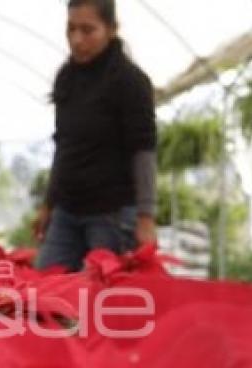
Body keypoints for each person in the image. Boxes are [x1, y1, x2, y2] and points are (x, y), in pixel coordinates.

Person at [34, 0, 158, 272]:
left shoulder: (130, 81)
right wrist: (48, 206)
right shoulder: (66, 78)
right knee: (44, 288)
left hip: (111, 214)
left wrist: (146, 217)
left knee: (101, 298)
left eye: (88, 30)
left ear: (111, 29)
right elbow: (63, 146)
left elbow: (143, 150)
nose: (77, 40)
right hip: (67, 210)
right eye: (71, 29)